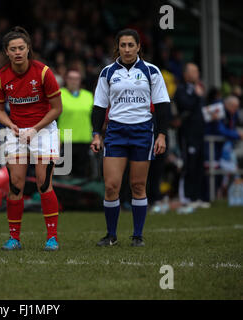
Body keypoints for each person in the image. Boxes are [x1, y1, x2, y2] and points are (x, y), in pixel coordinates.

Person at [90, 28, 170, 247]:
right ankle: (111, 235)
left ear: (138, 47)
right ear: (118, 47)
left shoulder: (151, 71)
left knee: (137, 185)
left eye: (131, 45)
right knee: (111, 186)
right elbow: (99, 106)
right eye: (123, 45)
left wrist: (161, 135)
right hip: (115, 132)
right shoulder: (107, 72)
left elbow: (163, 106)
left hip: (142, 131)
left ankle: (137, 236)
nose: (127, 49)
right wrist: (96, 134)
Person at [0, 26, 63, 251]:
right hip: (17, 132)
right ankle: (14, 239)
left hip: (44, 130)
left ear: (28, 49)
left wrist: (35, 128)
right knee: (15, 185)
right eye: (13, 49)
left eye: (21, 47)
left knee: (43, 183)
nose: (18, 52)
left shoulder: (43, 72)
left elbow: (57, 108)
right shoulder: (0, 77)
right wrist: (10, 124)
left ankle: (52, 238)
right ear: (7, 52)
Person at [174, 63, 209, 209]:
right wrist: (196, 95)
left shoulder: (198, 89)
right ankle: (186, 196)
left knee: (199, 165)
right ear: (186, 74)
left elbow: (200, 110)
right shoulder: (181, 90)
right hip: (188, 134)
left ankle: (198, 196)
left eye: (197, 70)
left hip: (200, 133)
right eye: (194, 71)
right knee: (189, 165)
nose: (197, 73)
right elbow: (185, 106)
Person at [58, 69, 94, 178]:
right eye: (71, 78)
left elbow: (94, 117)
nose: (74, 81)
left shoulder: (88, 96)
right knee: (64, 176)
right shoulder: (59, 95)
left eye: (77, 79)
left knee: (82, 176)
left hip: (85, 140)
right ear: (66, 80)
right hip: (66, 141)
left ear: (80, 81)